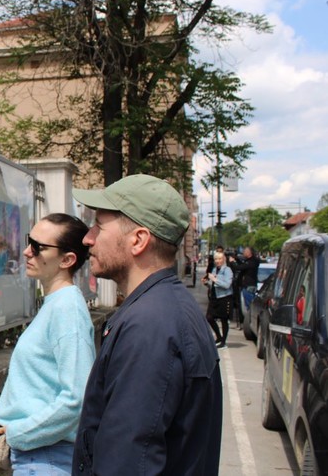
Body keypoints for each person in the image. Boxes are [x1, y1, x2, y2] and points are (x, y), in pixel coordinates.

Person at [71, 174, 222, 475]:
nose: (88, 237)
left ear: (138, 240)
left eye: (99, 225)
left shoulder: (149, 327)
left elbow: (126, 462)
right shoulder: (168, 308)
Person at [0, 213, 95, 475]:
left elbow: (77, 398)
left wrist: (17, 434)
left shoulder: (67, 309)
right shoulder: (57, 304)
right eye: (29, 242)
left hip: (47, 457)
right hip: (39, 455)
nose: (27, 252)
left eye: (38, 248)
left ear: (67, 260)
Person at [205, 251, 234, 348]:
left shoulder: (227, 270)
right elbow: (212, 284)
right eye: (216, 259)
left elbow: (227, 285)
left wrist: (215, 280)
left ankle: (223, 341)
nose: (217, 261)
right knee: (209, 317)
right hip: (214, 298)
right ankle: (219, 337)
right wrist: (207, 282)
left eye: (219, 259)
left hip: (224, 298)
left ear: (223, 259)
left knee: (224, 320)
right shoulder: (214, 269)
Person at [231, 246, 260, 328]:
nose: (243, 253)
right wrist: (236, 259)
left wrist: (233, 262)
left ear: (249, 253)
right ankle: (247, 323)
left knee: (248, 306)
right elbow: (242, 265)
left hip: (248, 286)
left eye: (245, 251)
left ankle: (249, 324)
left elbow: (239, 267)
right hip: (247, 286)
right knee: (246, 305)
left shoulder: (252, 261)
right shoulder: (250, 261)